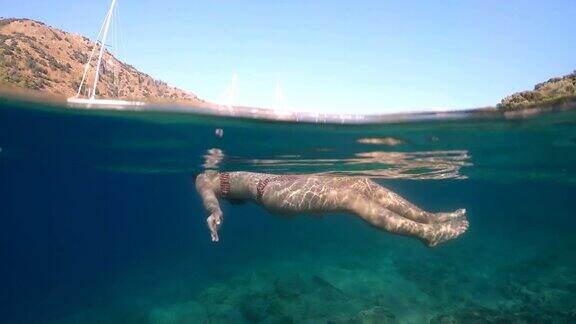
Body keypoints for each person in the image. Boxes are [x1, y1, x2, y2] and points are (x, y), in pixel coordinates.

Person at [195, 171, 468, 247]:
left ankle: (428, 217)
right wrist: (215, 213)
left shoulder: (220, 173)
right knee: (351, 199)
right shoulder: (203, 178)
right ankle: (425, 233)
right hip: (274, 192)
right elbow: (209, 199)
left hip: (287, 186)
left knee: (361, 183)